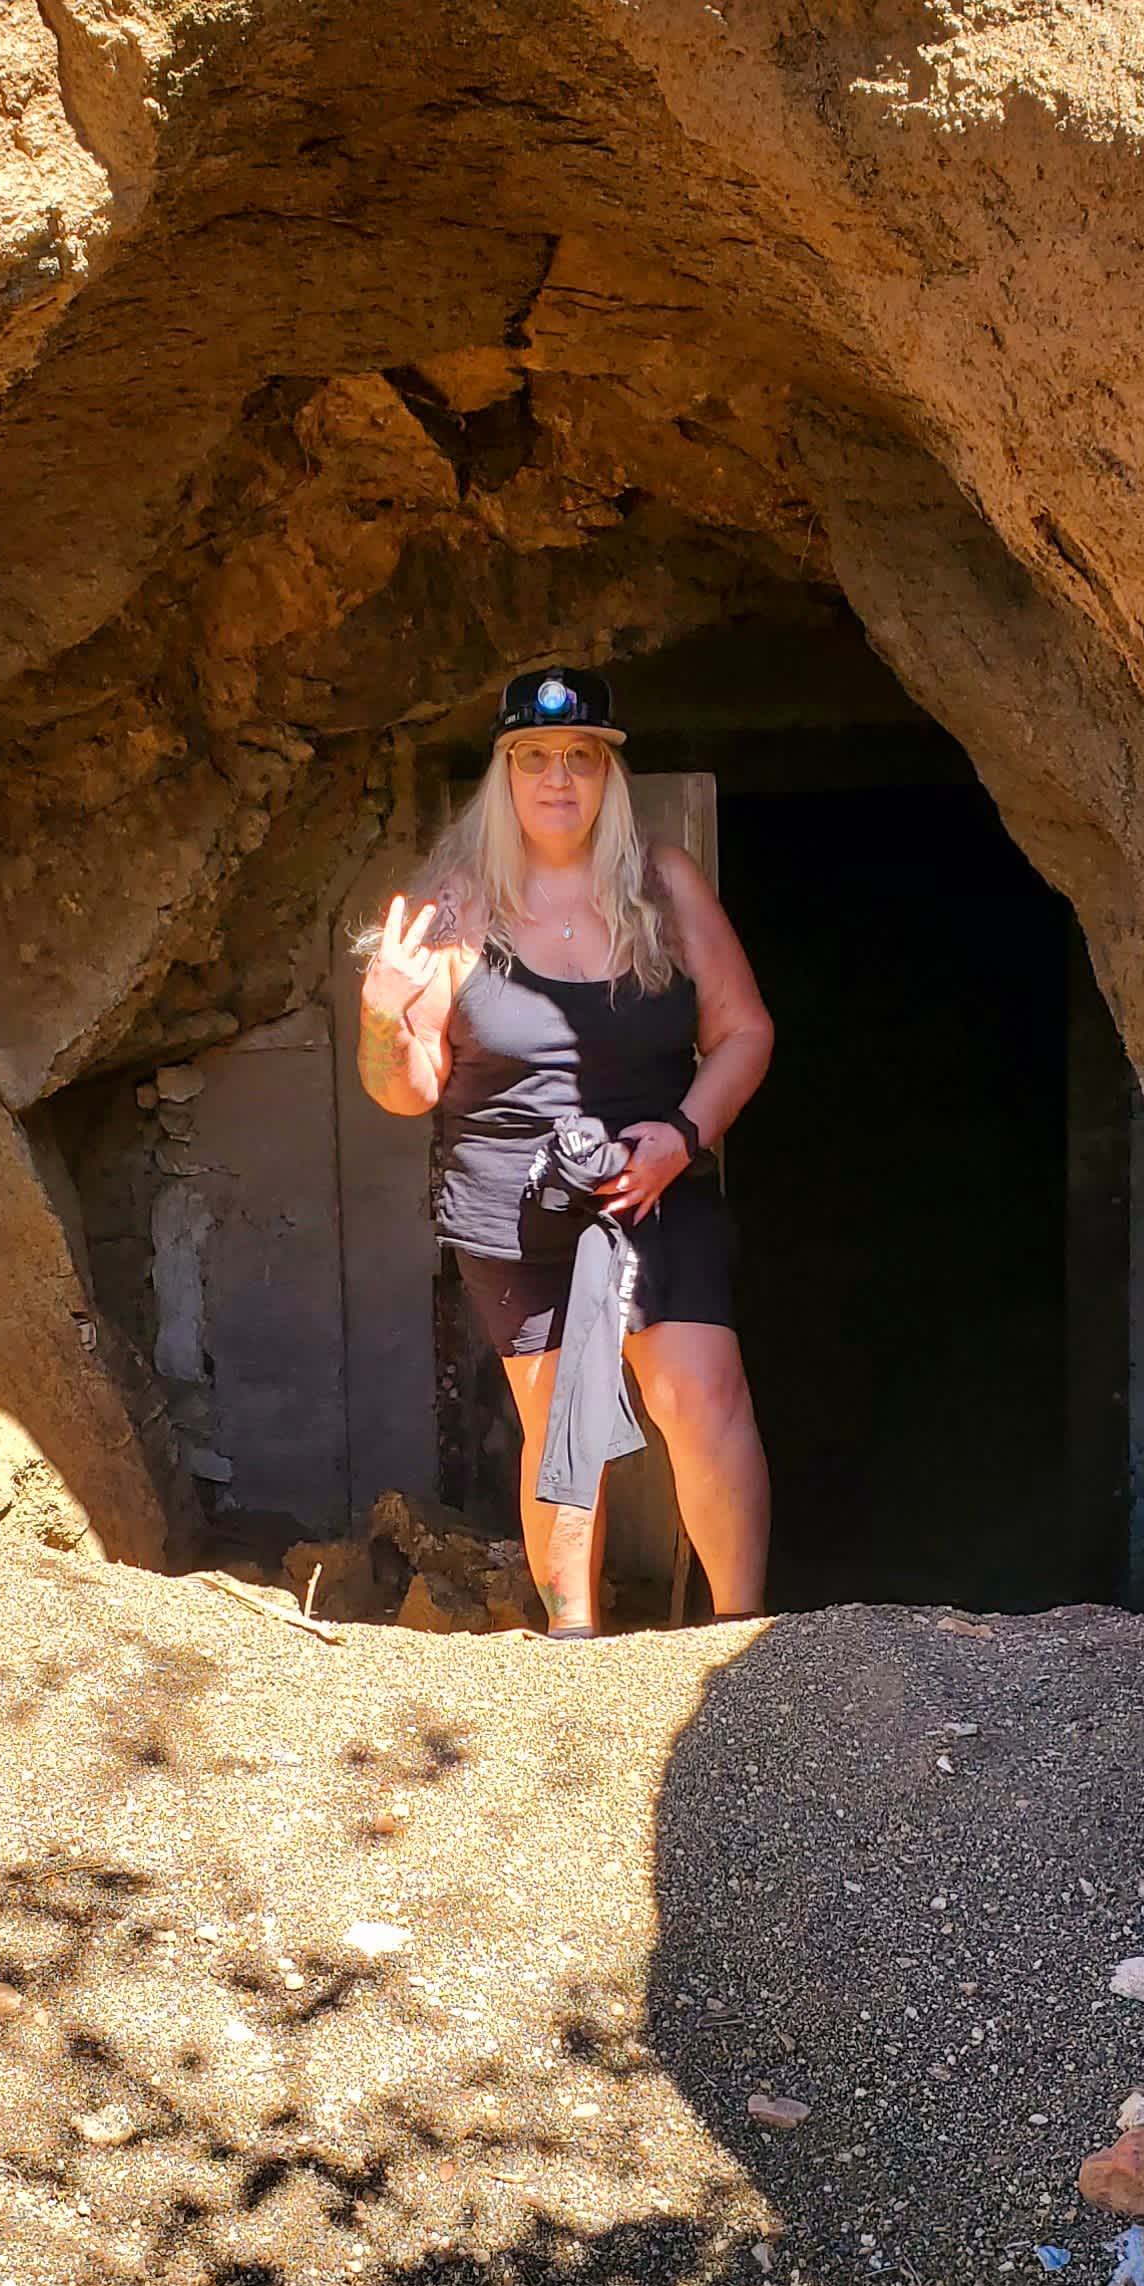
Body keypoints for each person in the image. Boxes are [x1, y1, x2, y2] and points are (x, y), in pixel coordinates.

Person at [356, 667, 775, 1636]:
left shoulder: (662, 884)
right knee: (565, 1423)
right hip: (514, 1200)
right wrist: (385, 1018)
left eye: (581, 759)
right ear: (504, 775)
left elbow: (745, 1031)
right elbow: (406, 1089)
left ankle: (748, 1639)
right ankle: (573, 1648)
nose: (558, 779)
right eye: (534, 759)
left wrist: (680, 1135)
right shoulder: (454, 905)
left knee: (699, 1391)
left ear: (608, 776)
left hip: (655, 1180)